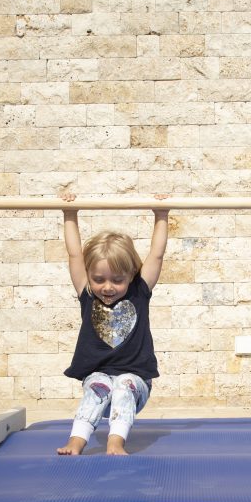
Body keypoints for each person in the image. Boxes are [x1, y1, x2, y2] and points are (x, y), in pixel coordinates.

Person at [56, 192, 169, 456]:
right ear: (89, 276)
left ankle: (115, 442)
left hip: (135, 384)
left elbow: (157, 255)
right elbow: (74, 255)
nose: (107, 287)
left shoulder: (139, 291)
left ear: (131, 275)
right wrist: (69, 213)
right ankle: (76, 441)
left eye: (117, 280)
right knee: (101, 385)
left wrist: (161, 215)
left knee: (123, 384)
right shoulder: (87, 293)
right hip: (100, 379)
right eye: (99, 279)